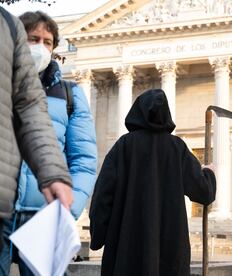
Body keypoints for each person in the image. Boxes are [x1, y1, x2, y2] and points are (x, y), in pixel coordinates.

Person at [0, 10, 97, 276]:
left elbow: (84, 160)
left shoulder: (70, 94)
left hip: (45, 217)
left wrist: (69, 210)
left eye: (48, 42)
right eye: (33, 38)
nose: (40, 47)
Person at [89, 89, 216, 276]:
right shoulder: (176, 148)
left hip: (126, 248)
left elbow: (102, 197)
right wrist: (209, 173)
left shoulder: (123, 147)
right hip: (168, 250)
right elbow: (204, 193)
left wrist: (98, 236)